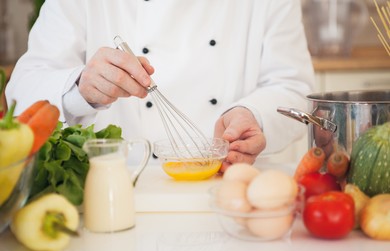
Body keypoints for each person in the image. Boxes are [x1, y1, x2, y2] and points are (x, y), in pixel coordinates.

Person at [6, 0, 315, 171]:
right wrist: (80, 89)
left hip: (233, 192)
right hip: (120, 193)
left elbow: (294, 88)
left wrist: (254, 115)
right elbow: (22, 90)